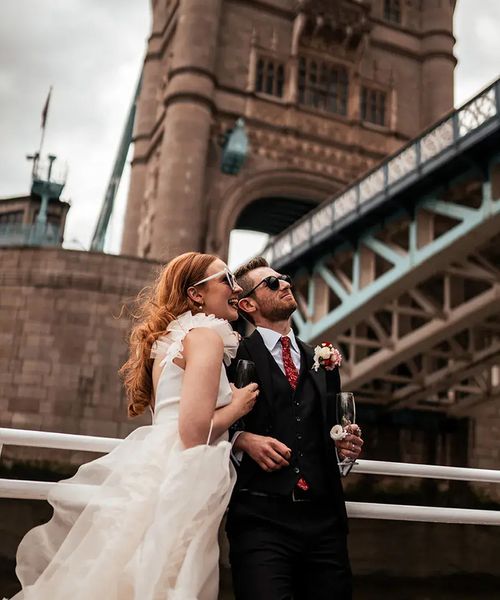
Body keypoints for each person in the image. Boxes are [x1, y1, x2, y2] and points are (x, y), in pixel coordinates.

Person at [6, 252, 258, 600]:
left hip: (156, 464)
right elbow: (193, 431)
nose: (236, 286)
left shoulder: (168, 339)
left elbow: (172, 416)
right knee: (172, 579)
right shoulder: (205, 336)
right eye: (226, 279)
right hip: (186, 472)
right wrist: (238, 405)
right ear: (196, 295)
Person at [226, 257, 363, 600]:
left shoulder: (322, 359)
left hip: (324, 522)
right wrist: (241, 439)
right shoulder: (233, 357)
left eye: (284, 278)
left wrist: (345, 445)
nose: (286, 284)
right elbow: (204, 425)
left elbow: (332, 428)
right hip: (261, 522)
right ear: (247, 304)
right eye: (272, 283)